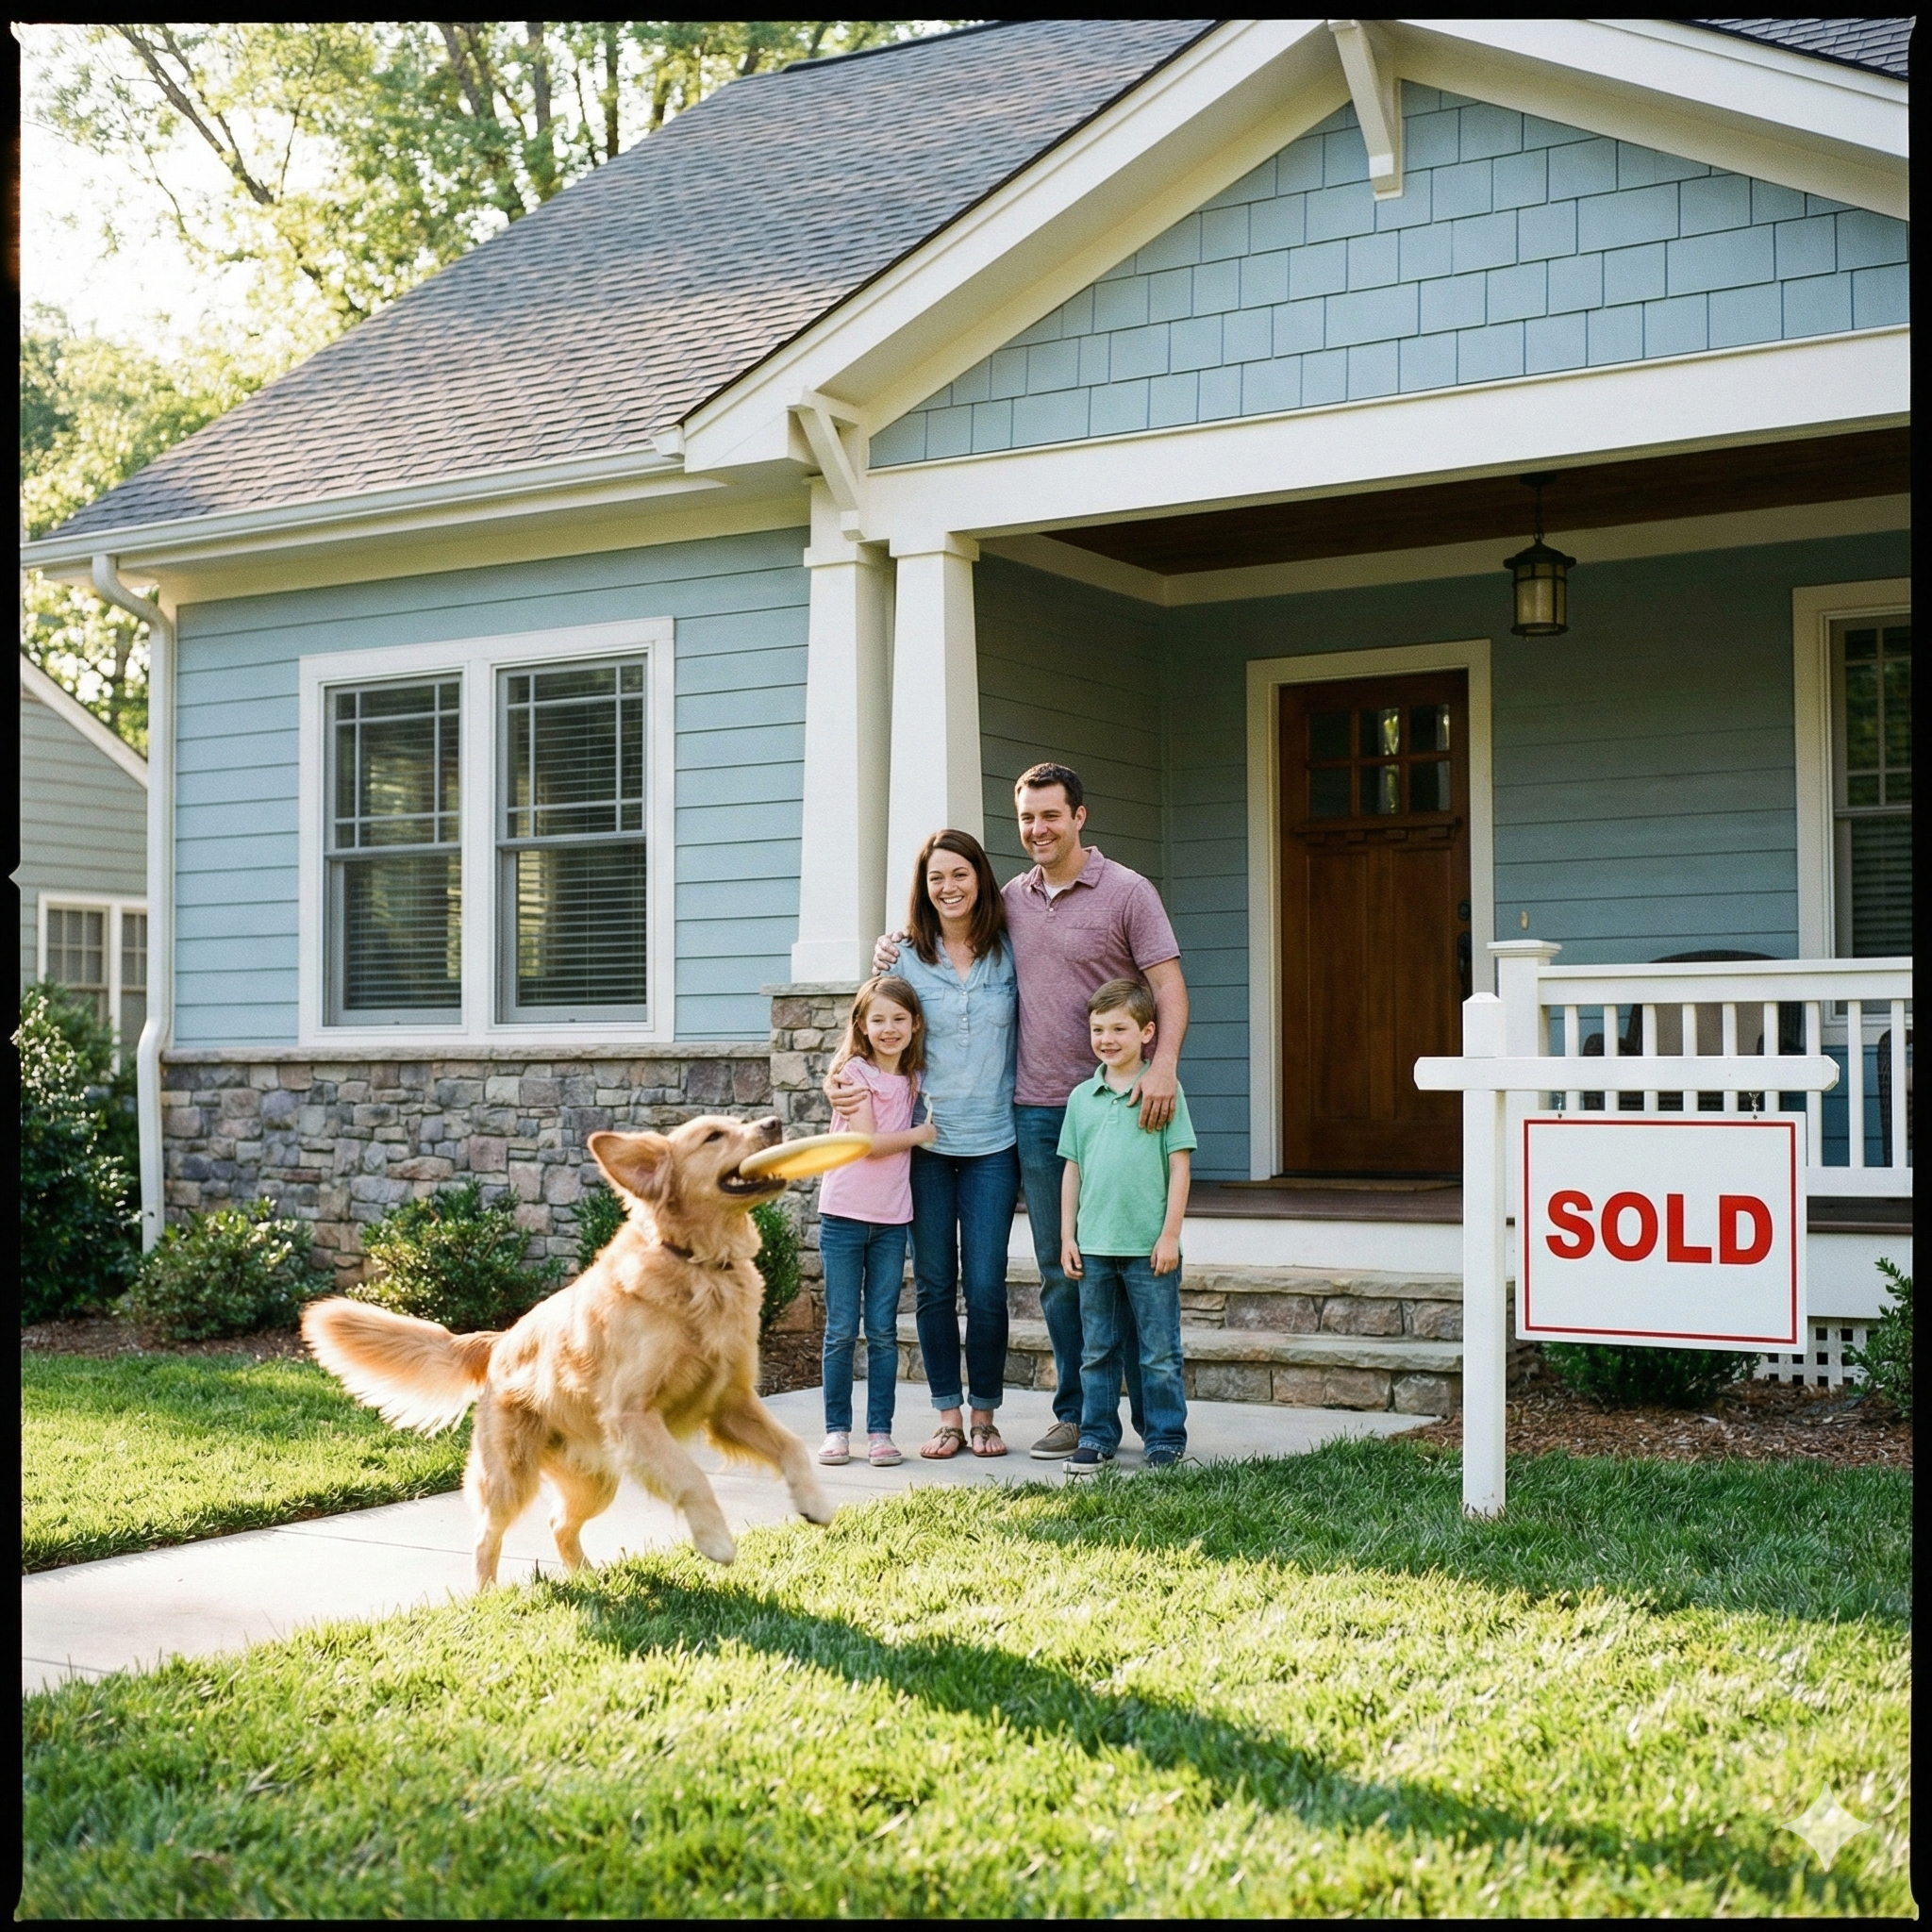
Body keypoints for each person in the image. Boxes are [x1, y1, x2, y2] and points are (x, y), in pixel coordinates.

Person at [871, 762, 1190, 1462]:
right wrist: (890, 947)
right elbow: (940, 930)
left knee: (1137, 1258)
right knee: (1062, 1269)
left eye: (1051, 815)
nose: (1038, 829)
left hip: (1127, 1105)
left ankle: (1156, 1424)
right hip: (1038, 1111)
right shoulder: (1010, 899)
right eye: (1026, 818)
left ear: (1080, 816)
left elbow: (1168, 986)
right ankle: (1081, 1415)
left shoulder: (1128, 891)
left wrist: (1161, 1066)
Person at [836, 830, 1020, 1459]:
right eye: (936, 877)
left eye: (960, 874)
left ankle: (986, 1415)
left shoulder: (1010, 952)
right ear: (925, 887)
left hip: (995, 1142)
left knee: (989, 1284)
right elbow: (868, 1034)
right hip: (928, 1147)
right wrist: (839, 1087)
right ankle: (947, 1415)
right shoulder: (903, 958)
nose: (948, 887)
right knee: (938, 1284)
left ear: (980, 879)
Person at [1058, 979, 1195, 1474]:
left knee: (1158, 1351)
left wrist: (1170, 1235)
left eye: (1119, 1028)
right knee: (1097, 1351)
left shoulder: (1163, 1090)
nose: (1107, 1038)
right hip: (1093, 1247)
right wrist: (1067, 1237)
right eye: (1098, 1029)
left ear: (1147, 1032)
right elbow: (1072, 1168)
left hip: (1148, 1248)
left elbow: (1180, 1166)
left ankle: (1163, 1438)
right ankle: (1096, 1435)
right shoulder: (1081, 1098)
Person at [816, 975, 937, 1470]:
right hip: (844, 1214)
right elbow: (865, 1143)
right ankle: (837, 1432)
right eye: (879, 1019)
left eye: (899, 1020)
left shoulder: (913, 1079)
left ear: (914, 1026)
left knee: (883, 1330)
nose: (889, 1029)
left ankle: (881, 1433)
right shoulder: (852, 1073)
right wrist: (921, 1133)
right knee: (843, 1328)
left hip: (891, 1219)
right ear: (862, 1026)